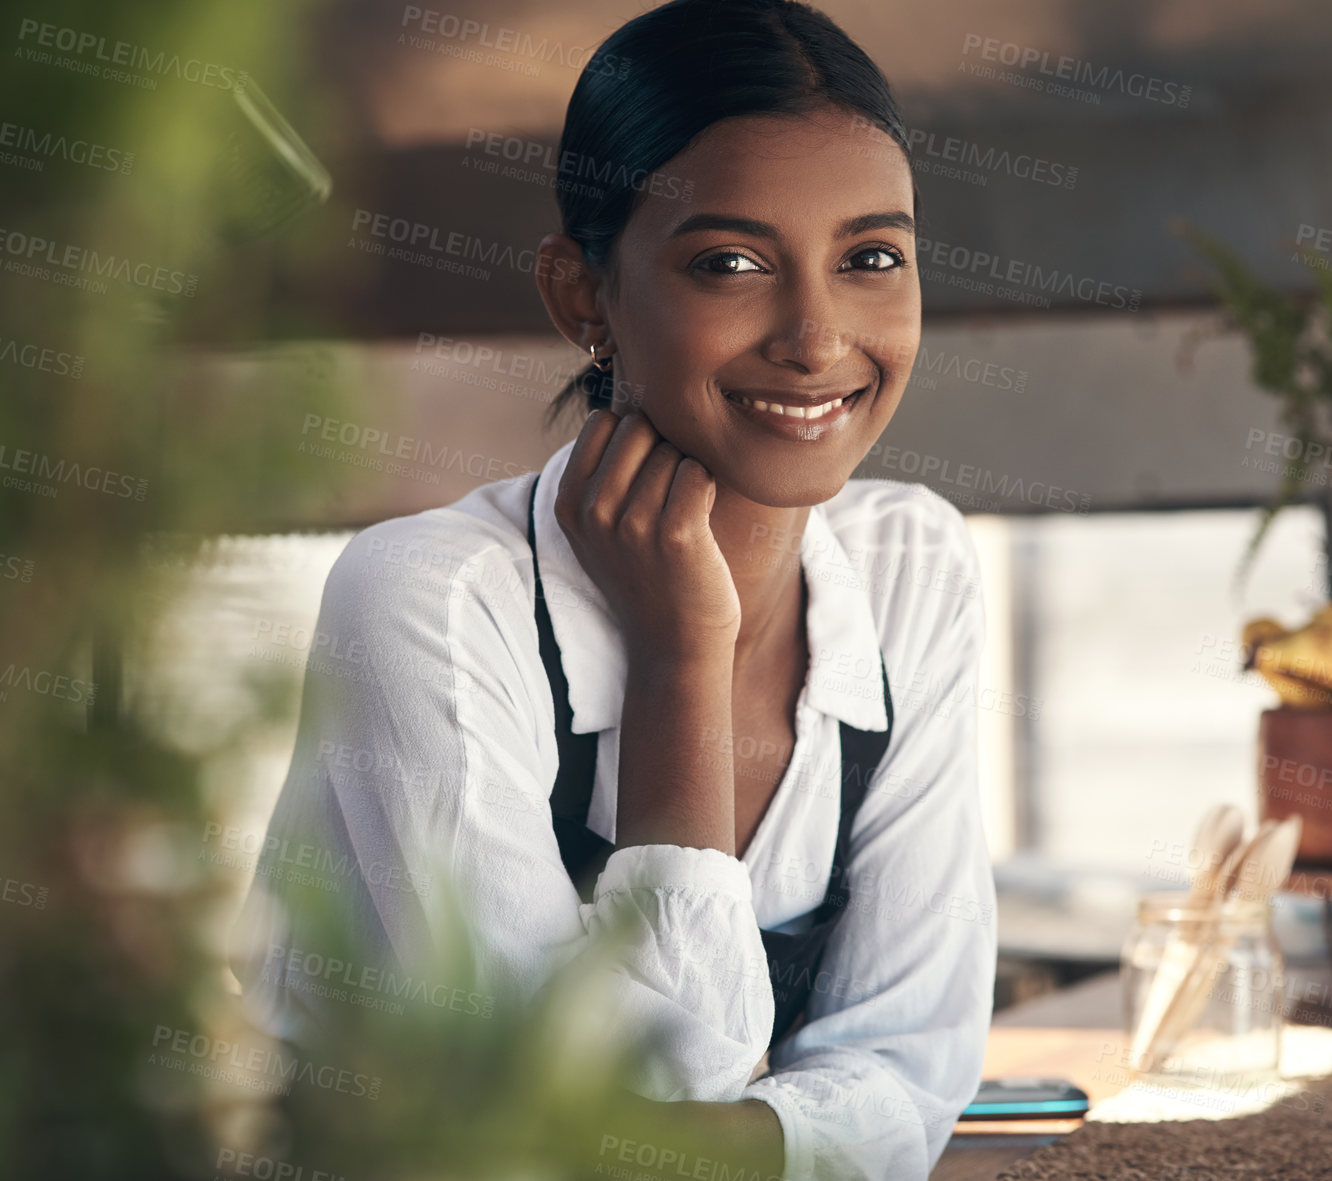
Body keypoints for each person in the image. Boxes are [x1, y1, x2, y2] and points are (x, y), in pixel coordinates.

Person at [230, 1, 995, 1177]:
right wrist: (682, 654)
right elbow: (587, 1109)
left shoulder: (914, 568)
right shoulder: (430, 601)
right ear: (583, 296)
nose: (816, 334)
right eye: (730, 263)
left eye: (871, 258)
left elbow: (914, 1073)